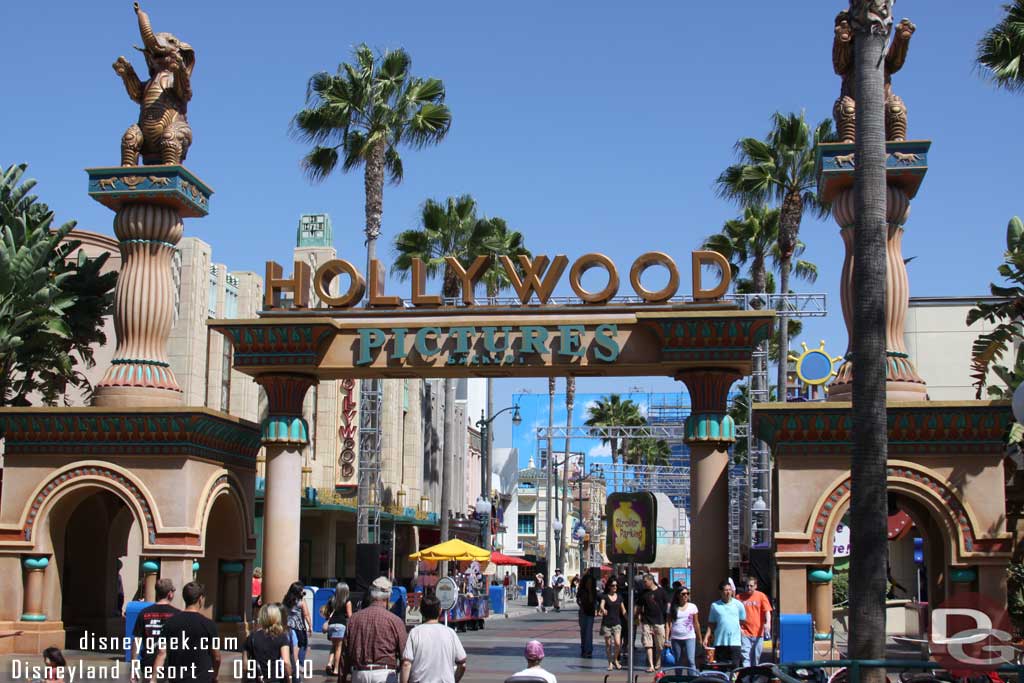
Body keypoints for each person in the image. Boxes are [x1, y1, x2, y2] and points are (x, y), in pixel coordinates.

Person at [150, 581, 221, 683]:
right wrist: (215, 676)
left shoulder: (170, 623)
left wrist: (153, 679)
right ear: (200, 599)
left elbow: (161, 653)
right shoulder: (209, 625)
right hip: (202, 679)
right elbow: (217, 657)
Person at [344, 576, 407, 683]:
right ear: (388, 598)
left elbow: (345, 654)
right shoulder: (395, 621)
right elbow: (404, 655)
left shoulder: (353, 619)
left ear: (371, 596)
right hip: (384, 674)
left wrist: (343, 677)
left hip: (359, 673)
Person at [399, 594, 467, 683]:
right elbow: (462, 664)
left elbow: (406, 664)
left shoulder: (415, 633)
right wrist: (454, 680)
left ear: (421, 611)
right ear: (440, 611)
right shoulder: (450, 633)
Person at [130, 578, 179, 680]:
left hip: (148, 663)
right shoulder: (177, 614)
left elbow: (137, 641)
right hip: (169, 665)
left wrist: (134, 667)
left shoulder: (144, 613)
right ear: (170, 594)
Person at [703, 579, 747, 671]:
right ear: (720, 592)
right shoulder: (715, 605)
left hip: (735, 642)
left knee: (735, 669)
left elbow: (742, 621)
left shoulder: (738, 605)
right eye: (726, 590)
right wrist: (707, 637)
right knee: (721, 669)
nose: (728, 592)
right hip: (720, 642)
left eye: (729, 590)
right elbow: (711, 624)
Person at [243, 603, 291, 683]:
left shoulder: (252, 637)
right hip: (274, 679)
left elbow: (245, 666)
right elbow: (286, 662)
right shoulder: (282, 637)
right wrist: (289, 680)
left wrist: (243, 680)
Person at [666, 585, 701, 676]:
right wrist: (667, 639)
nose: (686, 595)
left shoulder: (692, 606)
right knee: (678, 661)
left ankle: (692, 679)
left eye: (687, 593)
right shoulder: (672, 607)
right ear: (678, 595)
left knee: (691, 660)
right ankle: (679, 679)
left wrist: (700, 638)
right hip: (676, 638)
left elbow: (696, 623)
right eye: (683, 594)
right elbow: (668, 623)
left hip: (689, 637)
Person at [636, 573, 669, 672]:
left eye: (645, 581)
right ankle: (651, 665)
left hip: (659, 621)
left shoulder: (662, 592)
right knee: (648, 644)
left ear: (651, 581)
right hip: (647, 621)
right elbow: (638, 606)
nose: (644, 583)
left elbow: (667, 605)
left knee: (660, 644)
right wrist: (635, 616)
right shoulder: (643, 593)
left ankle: (658, 662)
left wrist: (668, 619)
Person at [738, 577, 772, 667]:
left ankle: (754, 676)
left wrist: (768, 623)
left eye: (751, 586)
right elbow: (734, 614)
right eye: (747, 586)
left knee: (756, 658)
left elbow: (767, 611)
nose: (749, 587)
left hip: (758, 633)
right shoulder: (739, 598)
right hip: (744, 632)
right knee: (746, 656)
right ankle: (746, 677)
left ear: (755, 586)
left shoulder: (761, 596)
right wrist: (739, 627)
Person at [282, 581, 312, 676]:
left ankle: (291, 662)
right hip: (299, 626)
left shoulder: (286, 600)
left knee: (290, 644)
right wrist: (310, 626)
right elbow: (306, 614)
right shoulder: (301, 601)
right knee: (303, 644)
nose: (303, 591)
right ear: (298, 591)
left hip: (288, 625)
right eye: (302, 589)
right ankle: (300, 664)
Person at [597, 577, 627, 670]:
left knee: (618, 643)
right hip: (607, 623)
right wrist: (603, 609)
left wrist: (629, 619)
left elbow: (623, 610)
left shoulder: (619, 597)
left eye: (616, 585)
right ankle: (610, 663)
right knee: (608, 644)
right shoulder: (605, 596)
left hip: (617, 623)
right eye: (613, 585)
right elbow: (601, 605)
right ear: (609, 586)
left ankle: (615, 659)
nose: (615, 587)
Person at [325, 581, 353, 676]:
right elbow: (350, 616)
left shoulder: (332, 600)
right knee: (339, 648)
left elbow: (327, 613)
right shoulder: (347, 601)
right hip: (341, 625)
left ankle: (329, 663)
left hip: (331, 625)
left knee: (334, 646)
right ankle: (336, 669)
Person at [576, 573, 597, 658]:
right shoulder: (581, 590)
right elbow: (578, 599)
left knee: (589, 632)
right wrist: (580, 605)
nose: (589, 584)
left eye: (590, 582)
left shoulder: (593, 591)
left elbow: (592, 601)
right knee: (583, 631)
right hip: (582, 612)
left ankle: (588, 650)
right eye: (587, 582)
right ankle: (583, 648)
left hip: (590, 613)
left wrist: (590, 591)